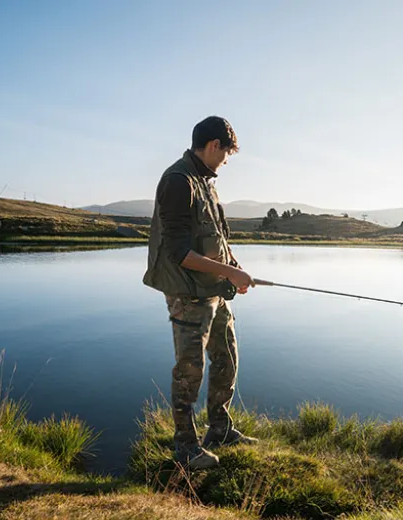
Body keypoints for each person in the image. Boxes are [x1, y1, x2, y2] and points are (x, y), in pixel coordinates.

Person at [143, 116, 257, 470]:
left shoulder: (205, 181)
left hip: (214, 291)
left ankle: (219, 430)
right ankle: (186, 448)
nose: (225, 161)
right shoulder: (178, 181)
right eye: (225, 154)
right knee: (189, 372)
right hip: (187, 296)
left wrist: (234, 269)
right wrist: (231, 272)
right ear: (212, 146)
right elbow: (180, 253)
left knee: (227, 359)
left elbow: (216, 237)